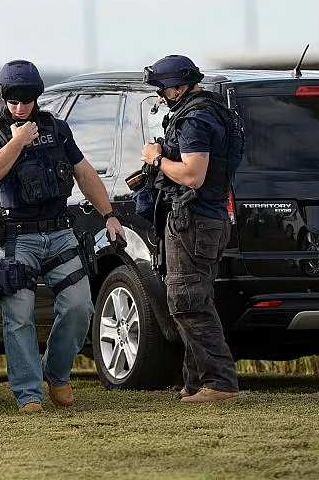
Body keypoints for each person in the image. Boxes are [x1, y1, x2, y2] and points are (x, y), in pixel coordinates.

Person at [0, 59, 125, 413]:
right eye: (13, 101)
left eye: (26, 100)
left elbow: (84, 173)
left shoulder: (57, 129)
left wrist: (110, 215)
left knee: (80, 306)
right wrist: (18, 142)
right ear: (3, 99)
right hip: (16, 238)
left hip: (58, 232)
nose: (20, 107)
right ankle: (28, 394)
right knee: (19, 316)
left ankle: (56, 374)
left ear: (37, 97)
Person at [140, 54, 240, 404]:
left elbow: (193, 175)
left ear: (179, 87)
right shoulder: (212, 111)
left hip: (194, 220)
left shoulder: (195, 119)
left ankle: (220, 383)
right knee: (194, 299)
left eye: (163, 90)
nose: (160, 96)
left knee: (186, 302)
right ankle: (196, 382)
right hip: (206, 219)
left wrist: (156, 159)